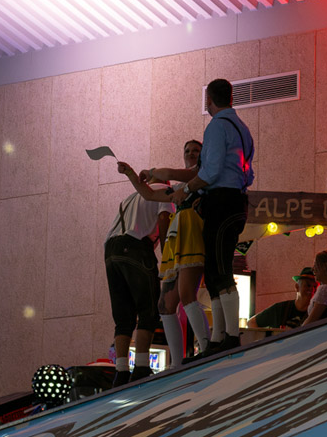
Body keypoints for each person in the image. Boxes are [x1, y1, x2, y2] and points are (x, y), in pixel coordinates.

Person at [183, 78, 254, 353]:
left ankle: (230, 336)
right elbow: (249, 174)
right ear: (231, 98)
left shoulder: (216, 127)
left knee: (220, 269)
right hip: (237, 201)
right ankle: (218, 337)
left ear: (208, 100)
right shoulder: (243, 129)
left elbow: (210, 172)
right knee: (215, 270)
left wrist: (186, 189)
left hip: (221, 202)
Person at [105, 162, 172, 385]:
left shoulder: (129, 198)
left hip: (111, 251)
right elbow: (164, 220)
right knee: (148, 308)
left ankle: (121, 370)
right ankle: (142, 366)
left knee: (123, 316)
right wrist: (167, 257)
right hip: (136, 247)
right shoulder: (165, 192)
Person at [146, 140, 212, 363]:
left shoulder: (204, 175)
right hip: (178, 240)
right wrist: (132, 176)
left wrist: (151, 172)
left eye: (195, 150)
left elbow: (171, 175)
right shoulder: (180, 186)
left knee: (186, 295)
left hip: (193, 235)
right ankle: (175, 363)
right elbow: (149, 195)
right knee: (164, 305)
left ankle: (206, 348)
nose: (191, 154)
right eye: (187, 151)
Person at [248, 267, 319, 333]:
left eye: (315, 286)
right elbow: (252, 322)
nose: (312, 289)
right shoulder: (280, 309)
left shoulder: (318, 312)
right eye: (308, 285)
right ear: (297, 287)